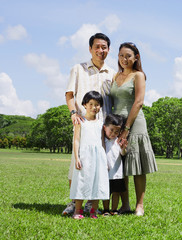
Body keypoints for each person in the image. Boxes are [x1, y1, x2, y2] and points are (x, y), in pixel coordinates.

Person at [63, 33, 116, 216]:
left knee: (98, 167)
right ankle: (73, 202)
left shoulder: (112, 74)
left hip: (102, 127)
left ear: (108, 49)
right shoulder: (79, 68)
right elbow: (69, 94)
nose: (101, 50)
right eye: (97, 47)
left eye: (104, 47)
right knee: (77, 165)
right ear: (90, 48)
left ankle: (90, 205)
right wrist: (73, 113)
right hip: (83, 123)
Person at [109, 42, 157, 216]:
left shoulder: (139, 75)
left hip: (134, 124)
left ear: (136, 57)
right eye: (121, 55)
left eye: (128, 56)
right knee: (120, 166)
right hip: (116, 124)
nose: (124, 59)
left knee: (137, 165)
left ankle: (140, 205)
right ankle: (125, 205)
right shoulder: (116, 76)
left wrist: (126, 128)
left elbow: (138, 102)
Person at [69, 91, 109, 219]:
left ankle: (93, 211)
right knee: (81, 182)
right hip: (84, 156)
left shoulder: (101, 122)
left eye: (97, 104)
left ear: (100, 106)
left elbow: (102, 141)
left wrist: (105, 159)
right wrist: (77, 158)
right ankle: (78, 211)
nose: (93, 107)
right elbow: (76, 140)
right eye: (90, 104)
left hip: (98, 156)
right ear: (85, 105)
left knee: (98, 182)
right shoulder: (80, 121)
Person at [102, 114, 128, 216]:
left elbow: (123, 154)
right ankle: (106, 209)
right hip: (105, 172)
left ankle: (114, 209)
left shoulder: (118, 141)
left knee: (116, 192)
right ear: (105, 127)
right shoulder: (102, 141)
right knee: (106, 192)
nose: (113, 134)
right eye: (111, 130)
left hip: (117, 172)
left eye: (116, 132)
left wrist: (123, 148)